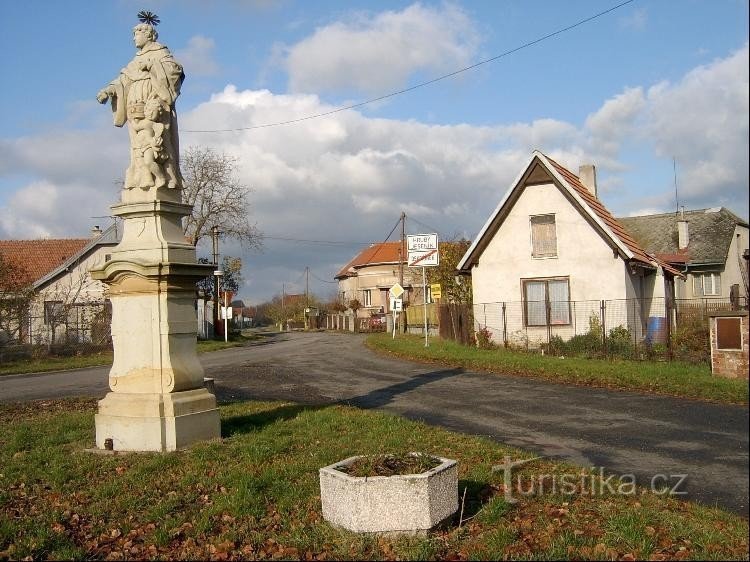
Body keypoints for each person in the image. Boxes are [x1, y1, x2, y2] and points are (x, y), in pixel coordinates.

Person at [97, 22, 184, 191]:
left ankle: (166, 176)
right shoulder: (135, 60)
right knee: (138, 146)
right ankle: (141, 177)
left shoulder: (161, 53)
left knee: (160, 145)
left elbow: (175, 72)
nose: (134, 37)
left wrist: (152, 65)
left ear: (149, 35)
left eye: (137, 33)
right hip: (134, 110)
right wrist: (108, 91)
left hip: (155, 108)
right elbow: (123, 81)